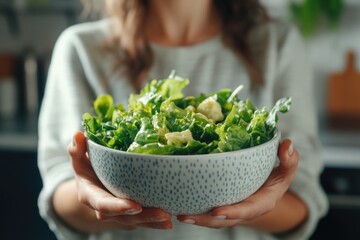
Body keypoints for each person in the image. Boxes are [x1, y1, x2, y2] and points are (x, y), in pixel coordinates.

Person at [37, 0, 328, 239]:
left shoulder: (277, 44)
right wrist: (103, 206)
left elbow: (303, 201)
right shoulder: (80, 48)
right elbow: (60, 191)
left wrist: (250, 209)